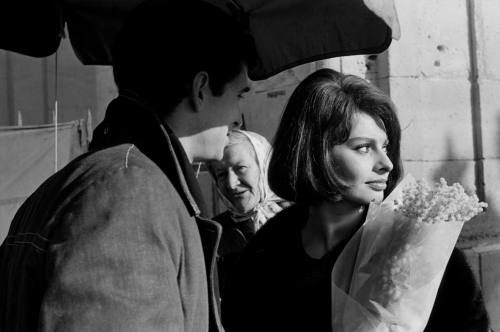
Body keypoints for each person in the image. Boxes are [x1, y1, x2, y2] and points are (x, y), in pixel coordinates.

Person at [0, 1, 256, 331]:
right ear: (201, 89)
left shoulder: (105, 180)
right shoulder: (130, 195)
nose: (237, 117)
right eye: (239, 95)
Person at [222, 69, 490, 332]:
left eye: (385, 146)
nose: (386, 163)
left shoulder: (415, 245)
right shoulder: (266, 253)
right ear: (315, 153)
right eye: (363, 148)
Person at [207, 129, 290, 297]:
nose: (231, 183)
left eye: (241, 168)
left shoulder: (303, 220)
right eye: (221, 174)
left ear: (265, 167)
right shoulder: (213, 234)